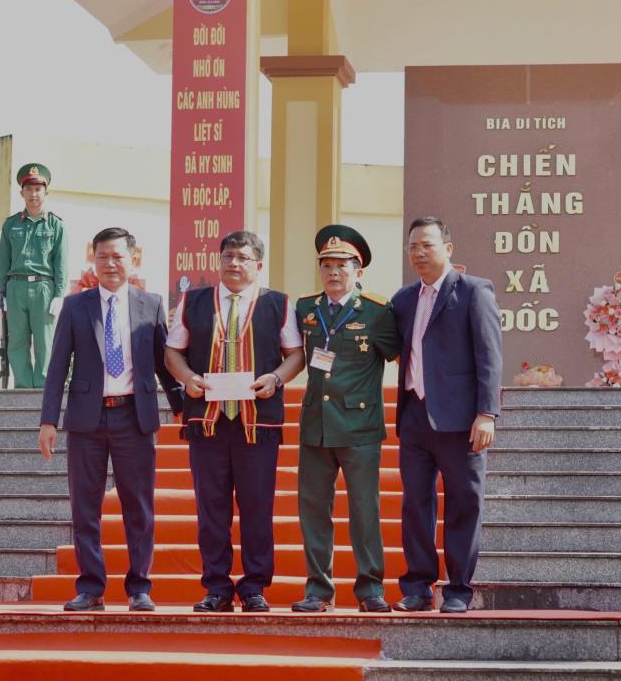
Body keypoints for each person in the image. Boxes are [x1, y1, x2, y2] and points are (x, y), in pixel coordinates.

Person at [38, 227, 180, 612]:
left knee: (139, 508)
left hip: (134, 417)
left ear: (133, 260)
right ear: (93, 260)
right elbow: (57, 366)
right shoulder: (76, 306)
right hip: (87, 420)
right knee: (85, 508)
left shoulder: (150, 304)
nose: (110, 264)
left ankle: (139, 588)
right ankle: (91, 587)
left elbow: (164, 364)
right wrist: (48, 420)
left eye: (118, 256)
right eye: (103, 256)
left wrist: (183, 408)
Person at [164, 230, 305, 613]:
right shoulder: (193, 301)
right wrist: (187, 378)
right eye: (228, 256)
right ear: (219, 261)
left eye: (243, 258)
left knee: (257, 507)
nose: (234, 264)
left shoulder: (278, 303)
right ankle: (217, 587)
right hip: (207, 421)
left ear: (258, 265)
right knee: (211, 509)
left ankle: (255, 586)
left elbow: (295, 354)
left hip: (257, 423)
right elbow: (173, 352)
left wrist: (276, 379)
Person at [391, 216, 502, 614]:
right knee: (415, 504)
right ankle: (417, 587)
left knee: (463, 502)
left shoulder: (473, 291)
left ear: (448, 249)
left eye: (427, 245)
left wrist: (486, 413)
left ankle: (458, 589)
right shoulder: (403, 299)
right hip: (415, 415)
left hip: (461, 419)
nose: (419, 253)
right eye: (413, 247)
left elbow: (489, 356)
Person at [291, 225, 401, 614]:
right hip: (316, 425)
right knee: (313, 509)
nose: (333, 272)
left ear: (359, 270)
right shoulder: (306, 309)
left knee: (364, 510)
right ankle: (318, 590)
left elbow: (402, 356)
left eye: (342, 265)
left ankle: (370, 589)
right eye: (326, 265)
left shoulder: (377, 311)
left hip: (359, 427)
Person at [0, 163, 68, 388]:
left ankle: (43, 391)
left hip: (43, 288)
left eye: (38, 189)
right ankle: (23, 389)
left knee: (45, 341)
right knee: (17, 342)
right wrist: (1, 293)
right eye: (29, 189)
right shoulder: (11, 225)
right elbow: (3, 261)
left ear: (46, 193)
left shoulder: (56, 225)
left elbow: (61, 262)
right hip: (16, 287)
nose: (33, 194)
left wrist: (59, 295)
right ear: (22, 193)